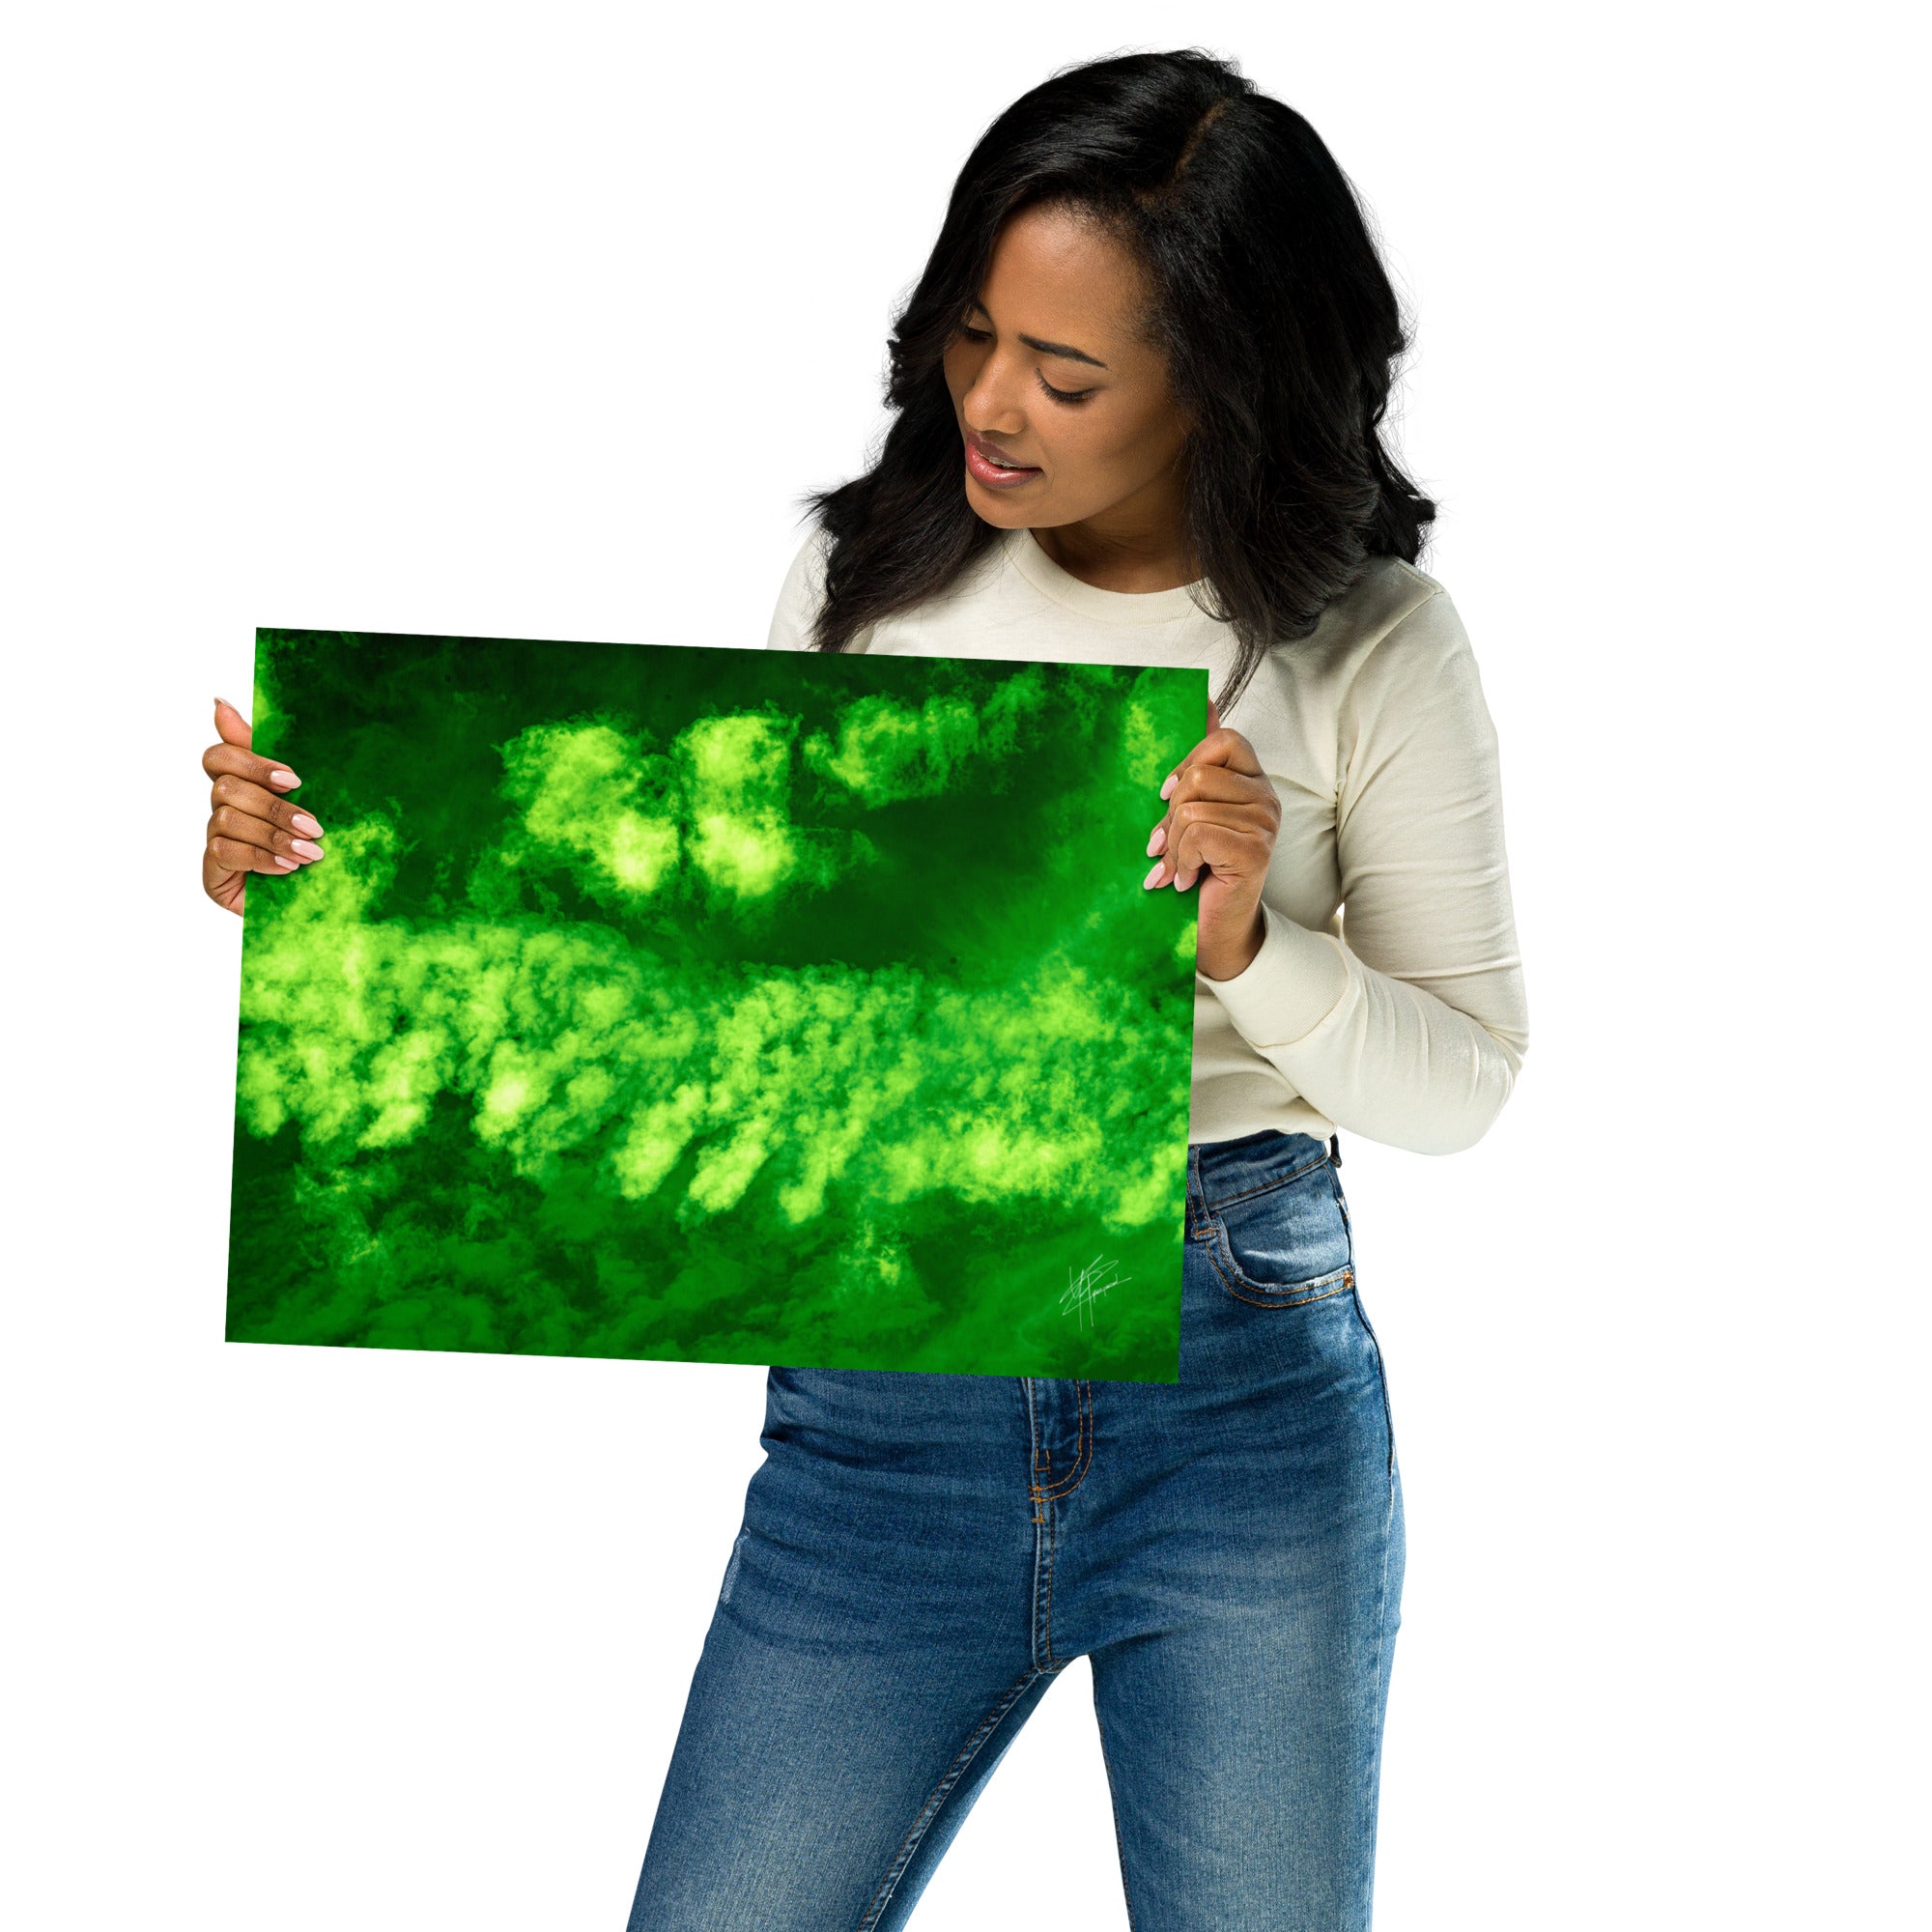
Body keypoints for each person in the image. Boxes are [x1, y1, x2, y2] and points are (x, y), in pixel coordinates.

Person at [199, 47, 1529, 1932]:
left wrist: (1248, 945)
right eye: (971, 335)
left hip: (1234, 1381)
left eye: (1065, 375)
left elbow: (1465, 1082)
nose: (990, 402)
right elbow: (716, 994)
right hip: (881, 1417)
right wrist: (335, 878)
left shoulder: (1371, 642)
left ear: (1222, 379)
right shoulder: (864, 577)